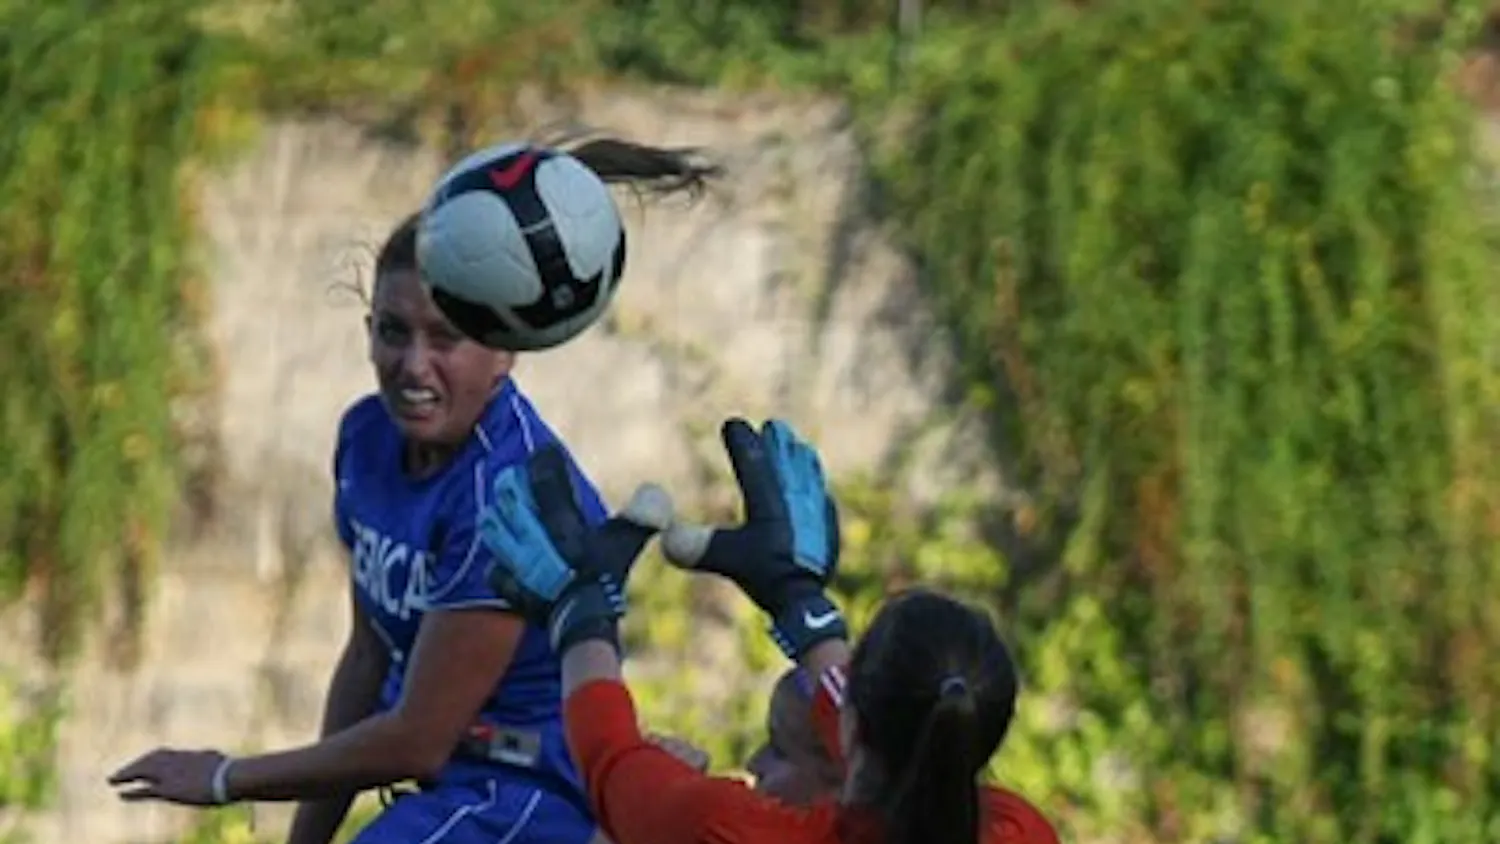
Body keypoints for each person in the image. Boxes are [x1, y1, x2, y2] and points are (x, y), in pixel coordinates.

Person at [105, 136, 722, 844]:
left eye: (445, 337)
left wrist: (225, 778)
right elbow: (368, 653)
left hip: (530, 795)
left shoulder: (507, 490)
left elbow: (418, 737)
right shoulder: (366, 440)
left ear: (506, 346)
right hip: (448, 789)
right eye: (393, 332)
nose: (413, 364)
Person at [478, 417, 1061, 844]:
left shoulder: (728, 828)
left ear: (851, 728)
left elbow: (609, 757)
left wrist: (580, 610)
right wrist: (798, 602)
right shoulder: (1024, 831)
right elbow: (904, 732)